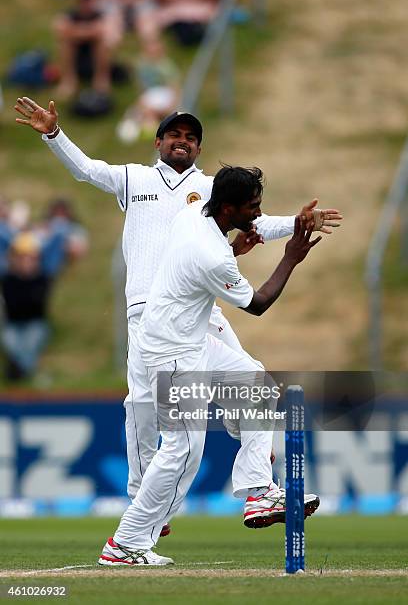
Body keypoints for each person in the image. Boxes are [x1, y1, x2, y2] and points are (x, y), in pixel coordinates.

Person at [14, 97, 342, 551]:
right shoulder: (137, 179)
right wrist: (54, 134)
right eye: (175, 134)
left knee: (254, 387)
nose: (182, 142)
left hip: (200, 308)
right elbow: (87, 170)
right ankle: (148, 508)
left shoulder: (209, 193)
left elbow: (257, 221)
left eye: (191, 137)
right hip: (152, 315)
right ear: (158, 141)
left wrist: (297, 223)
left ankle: (256, 485)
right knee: (145, 410)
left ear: (200, 150)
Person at [98, 165, 321, 565]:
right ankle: (125, 543)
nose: (257, 213)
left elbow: (198, 270)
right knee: (183, 450)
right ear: (229, 207)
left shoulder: (194, 214)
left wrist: (237, 248)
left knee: (258, 387)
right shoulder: (213, 256)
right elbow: (257, 304)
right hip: (172, 354)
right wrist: (291, 257)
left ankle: (257, 490)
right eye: (252, 207)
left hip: (190, 340)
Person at [0, 232, 52, 380]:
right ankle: (25, 372)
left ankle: (18, 372)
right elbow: (14, 305)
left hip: (35, 324)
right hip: (14, 325)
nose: (26, 262)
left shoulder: (41, 278)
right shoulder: (8, 279)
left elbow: (36, 305)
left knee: (31, 342)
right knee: (12, 343)